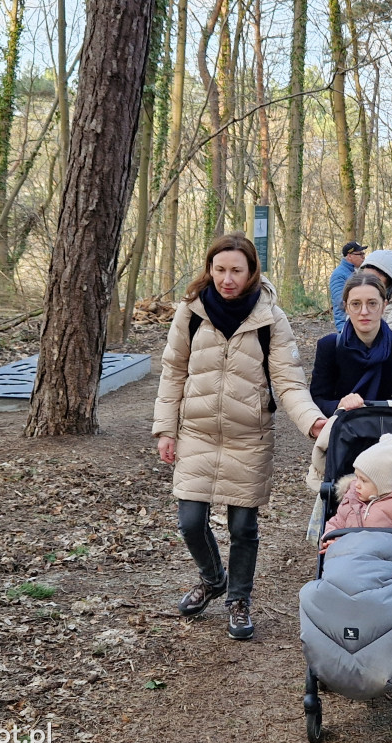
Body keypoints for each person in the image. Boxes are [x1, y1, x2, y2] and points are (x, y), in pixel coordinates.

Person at [153, 232, 328, 639]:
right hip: (196, 431)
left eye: (236, 270)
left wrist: (313, 423)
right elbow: (173, 372)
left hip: (249, 436)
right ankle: (213, 579)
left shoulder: (271, 318)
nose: (227, 279)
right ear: (209, 269)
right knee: (191, 521)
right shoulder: (191, 312)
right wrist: (166, 429)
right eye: (219, 269)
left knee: (243, 527)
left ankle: (238, 599)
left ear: (251, 272)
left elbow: (288, 381)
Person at [310, 271, 392, 417]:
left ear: (383, 306)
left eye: (372, 303)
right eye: (356, 304)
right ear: (346, 307)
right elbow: (317, 400)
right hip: (345, 434)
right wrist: (340, 404)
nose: (364, 311)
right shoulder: (330, 346)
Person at [320, 433, 392, 557]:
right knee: (335, 572)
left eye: (364, 480)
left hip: (387, 560)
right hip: (348, 556)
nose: (356, 484)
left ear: (384, 483)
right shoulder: (351, 498)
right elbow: (336, 523)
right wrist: (331, 542)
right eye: (357, 477)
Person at [329, 240, 367, 331]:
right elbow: (341, 302)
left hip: (358, 323)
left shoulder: (357, 272)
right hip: (346, 325)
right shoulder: (339, 275)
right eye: (360, 254)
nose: (363, 257)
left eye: (364, 254)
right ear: (349, 256)